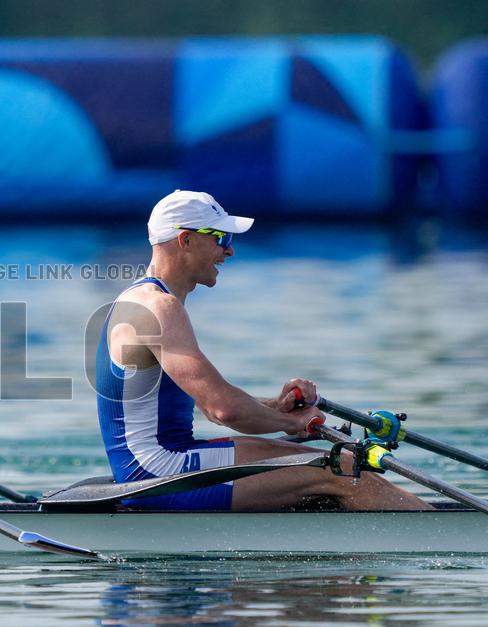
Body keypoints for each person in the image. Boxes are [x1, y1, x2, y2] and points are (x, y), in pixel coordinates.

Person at [95, 190, 430, 511]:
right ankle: (442, 545)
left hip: (168, 458)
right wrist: (293, 424)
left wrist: (278, 409)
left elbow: (213, 408)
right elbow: (224, 410)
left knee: (325, 466)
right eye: (221, 239)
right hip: (158, 470)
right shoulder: (157, 307)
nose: (229, 251)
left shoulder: (148, 302)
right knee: (343, 469)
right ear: (186, 240)